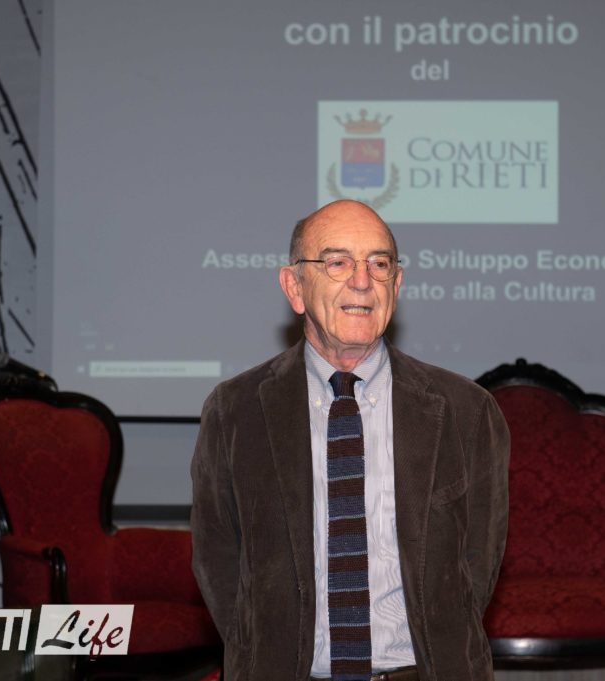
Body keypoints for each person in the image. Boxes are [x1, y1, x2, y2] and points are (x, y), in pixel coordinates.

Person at [190, 200, 510, 681]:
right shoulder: (235, 411)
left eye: (379, 264)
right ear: (295, 287)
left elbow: (475, 571)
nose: (362, 281)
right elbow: (218, 564)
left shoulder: (466, 411)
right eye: (337, 262)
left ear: (395, 286)